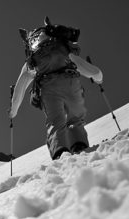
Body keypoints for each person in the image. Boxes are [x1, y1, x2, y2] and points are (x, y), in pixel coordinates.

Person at [9, 18, 104, 160]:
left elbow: (20, 87)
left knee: (55, 122)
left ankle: (60, 153)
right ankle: (80, 146)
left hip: (48, 87)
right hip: (71, 82)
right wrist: (98, 79)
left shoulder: (33, 58)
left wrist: (12, 112)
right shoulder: (61, 47)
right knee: (76, 119)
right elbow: (93, 72)